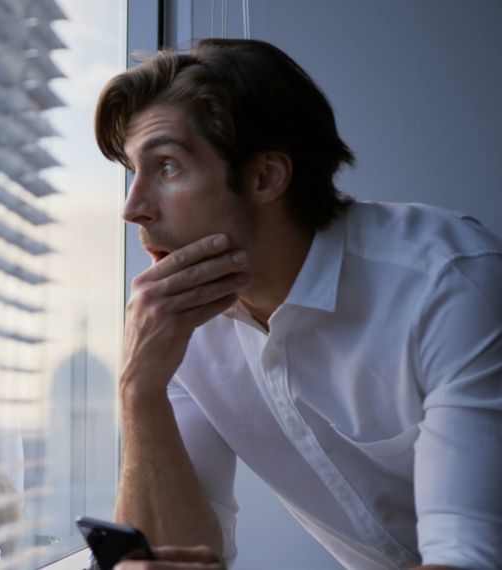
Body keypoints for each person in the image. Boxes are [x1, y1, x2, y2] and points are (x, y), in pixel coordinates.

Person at [93, 39, 502, 569]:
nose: (133, 208)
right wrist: (138, 389)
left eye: (167, 167)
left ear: (265, 177)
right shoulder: (176, 326)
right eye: (132, 171)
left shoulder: (447, 284)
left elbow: (467, 558)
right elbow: (184, 554)